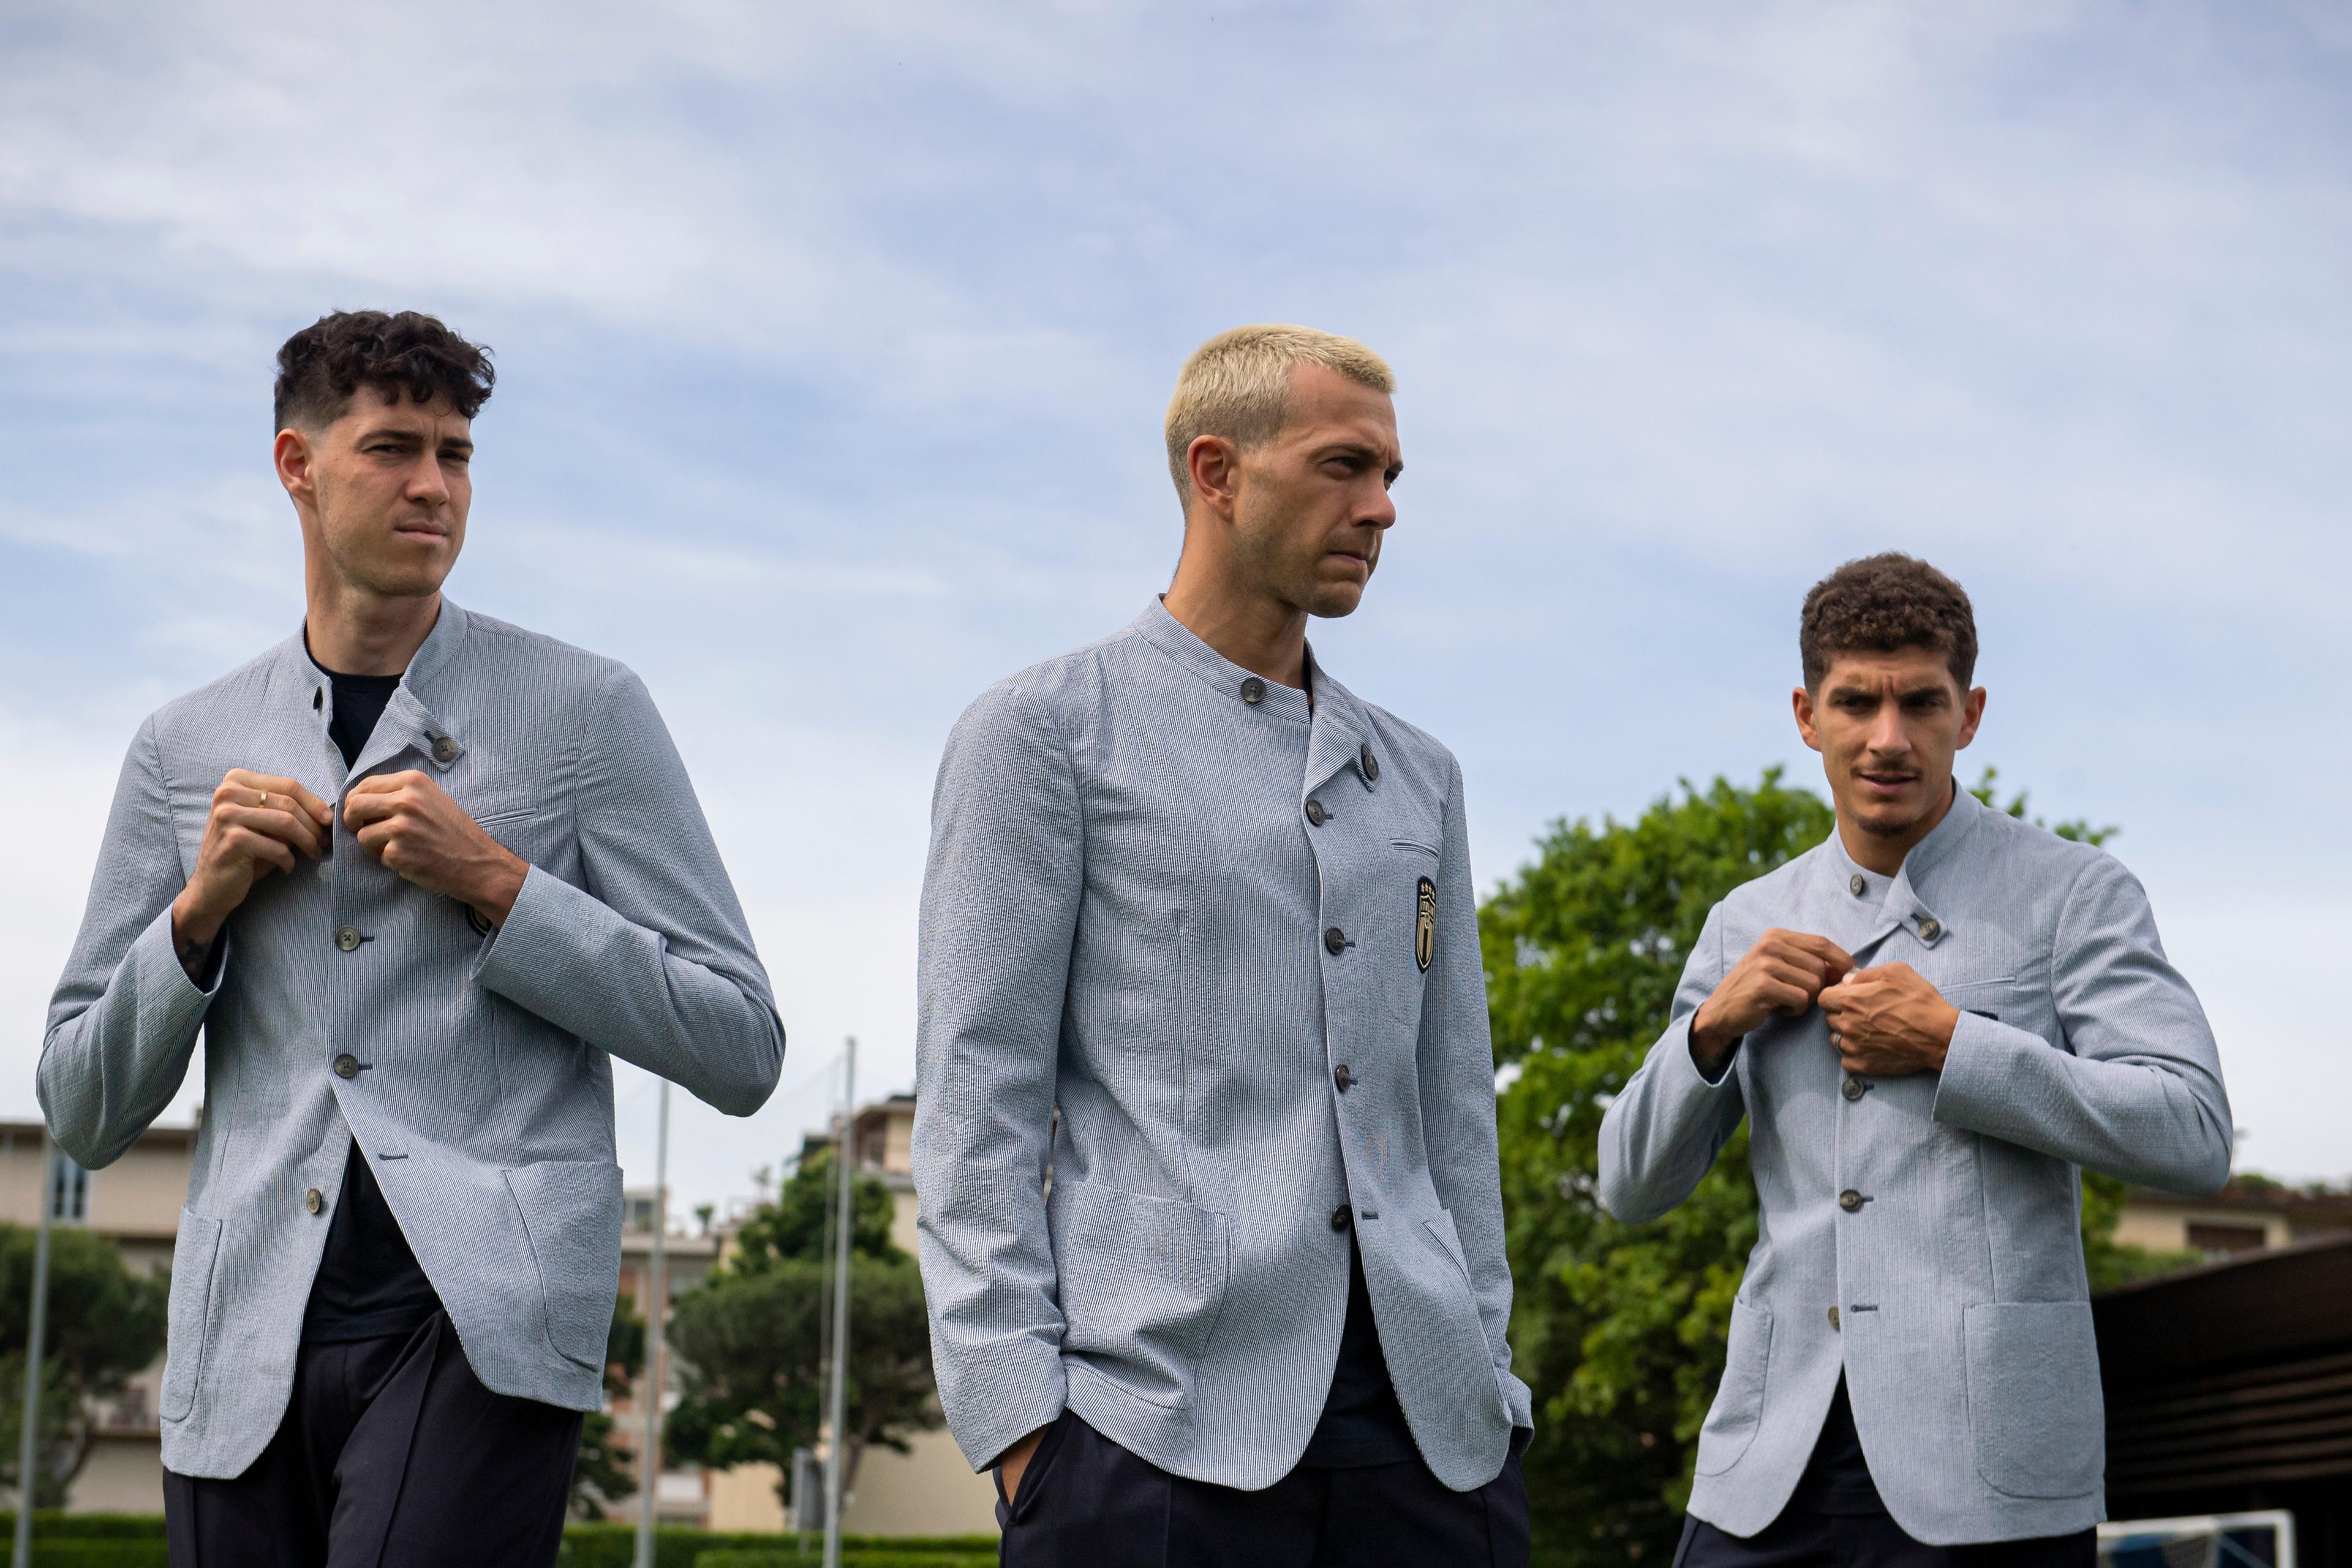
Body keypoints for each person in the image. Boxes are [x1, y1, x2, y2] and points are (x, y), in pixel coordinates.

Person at [40, 310, 786, 1567]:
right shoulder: (183, 746)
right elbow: (82, 1105)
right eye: (393, 448)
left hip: (480, 1326)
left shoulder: (589, 712)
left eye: (457, 453)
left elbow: (741, 1041)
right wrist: (199, 910)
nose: (434, 486)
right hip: (241, 1353)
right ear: (298, 464)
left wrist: (502, 882)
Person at [913, 325, 1532, 1566]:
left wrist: (1494, 1377)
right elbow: (977, 1097)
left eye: (1394, 476)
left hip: (1431, 1446)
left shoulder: (1422, 775)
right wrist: (1018, 1426)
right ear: (1217, 470)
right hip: (1148, 1439)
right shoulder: (1043, 733)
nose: (1384, 508)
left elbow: (1453, 1102)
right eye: (1345, 467)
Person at [1598, 554, 2232, 1565]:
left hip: (1990, 1478)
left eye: (1920, 704)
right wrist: (1710, 1029)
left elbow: (2193, 1132)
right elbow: (1628, 1186)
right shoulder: (1744, 922)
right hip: (1765, 1470)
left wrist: (1954, 1048)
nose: (1887, 738)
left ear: (1969, 714)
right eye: (1856, 702)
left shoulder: (2075, 893)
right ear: (1807, 715)